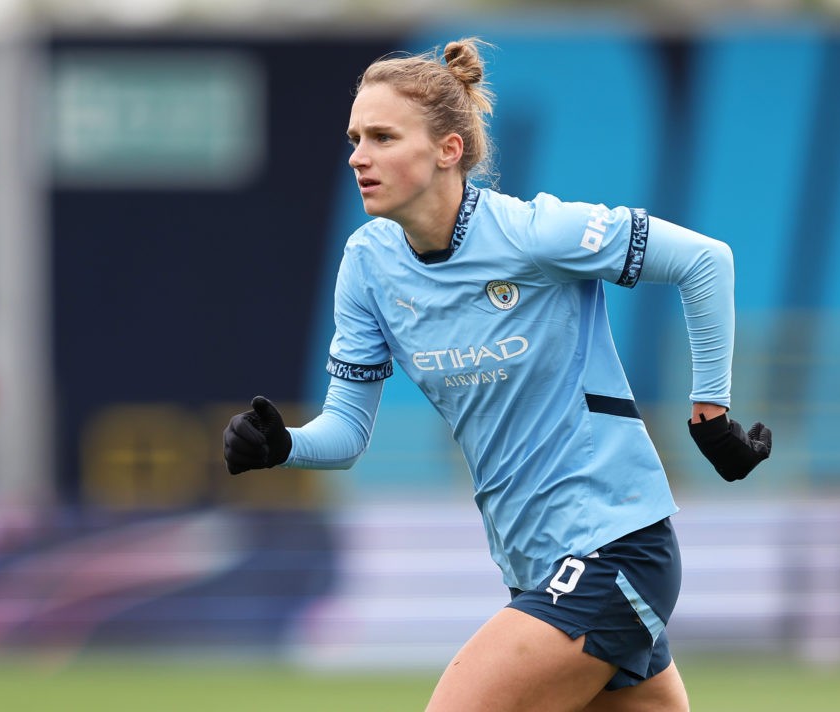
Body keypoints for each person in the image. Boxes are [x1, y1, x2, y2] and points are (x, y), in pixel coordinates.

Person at [223, 37, 771, 712]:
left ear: (448, 150)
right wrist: (286, 445)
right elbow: (346, 432)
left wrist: (710, 415)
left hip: (613, 549)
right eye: (355, 137)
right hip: (535, 570)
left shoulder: (535, 234)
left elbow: (706, 262)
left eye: (383, 136)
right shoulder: (367, 264)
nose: (358, 156)